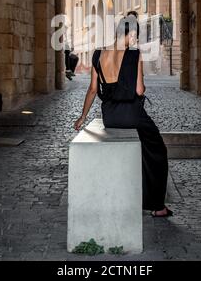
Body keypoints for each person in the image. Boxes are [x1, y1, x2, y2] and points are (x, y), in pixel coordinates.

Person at [73, 13, 173, 218]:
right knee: (157, 150)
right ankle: (157, 206)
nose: (136, 40)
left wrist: (82, 117)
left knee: (142, 149)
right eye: (136, 35)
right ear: (132, 33)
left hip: (110, 115)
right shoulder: (134, 54)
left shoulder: (97, 54)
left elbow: (93, 89)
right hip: (132, 115)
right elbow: (139, 90)